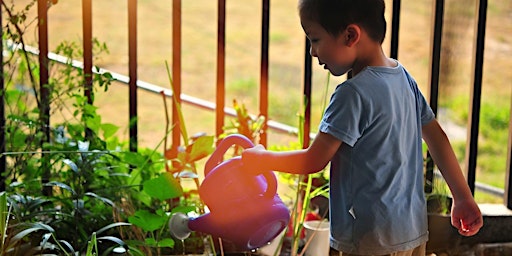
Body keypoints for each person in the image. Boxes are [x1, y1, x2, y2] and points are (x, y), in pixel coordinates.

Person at [241, 0, 483, 255]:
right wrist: (462, 197)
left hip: (371, 239)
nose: (312, 52)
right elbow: (437, 138)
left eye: (315, 39)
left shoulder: (352, 94)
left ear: (350, 35)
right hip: (411, 233)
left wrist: (262, 160)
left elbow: (313, 160)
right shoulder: (403, 78)